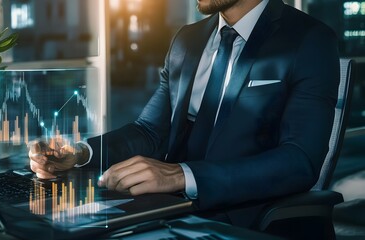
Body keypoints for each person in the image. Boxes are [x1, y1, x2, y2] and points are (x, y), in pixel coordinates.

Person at [29, 0, 339, 223]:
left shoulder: (309, 40)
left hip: (248, 218)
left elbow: (298, 160)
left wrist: (183, 175)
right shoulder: (186, 40)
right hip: (168, 212)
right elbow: (149, 131)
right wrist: (81, 153)